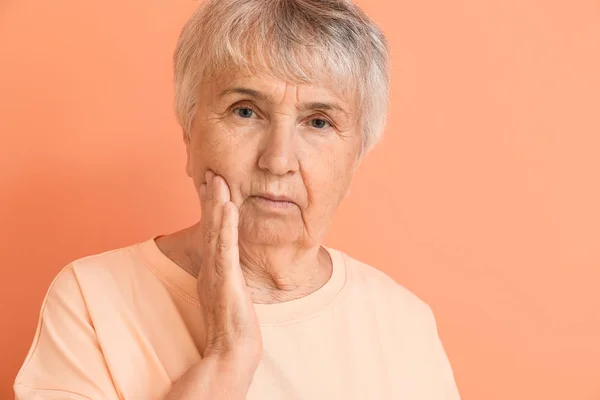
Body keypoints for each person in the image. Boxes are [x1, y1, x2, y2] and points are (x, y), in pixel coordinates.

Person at [14, 0, 461, 398]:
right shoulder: (93, 300)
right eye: (245, 111)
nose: (278, 159)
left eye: (319, 122)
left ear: (357, 156)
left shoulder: (405, 324)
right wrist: (228, 360)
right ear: (189, 134)